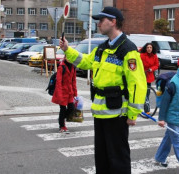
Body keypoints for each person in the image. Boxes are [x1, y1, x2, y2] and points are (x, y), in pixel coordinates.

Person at [59, 7, 147, 174]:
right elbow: (85, 62)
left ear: (113, 22)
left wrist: (133, 114)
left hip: (117, 115)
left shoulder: (127, 49)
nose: (98, 24)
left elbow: (137, 83)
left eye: (101, 20)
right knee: (102, 158)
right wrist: (67, 50)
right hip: (100, 113)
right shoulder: (102, 48)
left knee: (118, 159)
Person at [51, 58, 77, 133]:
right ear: (65, 57)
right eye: (67, 57)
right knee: (62, 109)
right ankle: (62, 126)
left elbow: (74, 81)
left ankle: (61, 119)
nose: (69, 59)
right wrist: (59, 94)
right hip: (62, 91)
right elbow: (58, 82)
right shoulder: (61, 67)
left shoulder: (73, 67)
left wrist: (75, 93)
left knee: (71, 108)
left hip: (70, 92)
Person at [140, 43, 159, 115]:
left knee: (147, 93)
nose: (149, 49)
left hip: (149, 75)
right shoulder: (141, 55)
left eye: (150, 47)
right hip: (141, 75)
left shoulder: (154, 56)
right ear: (145, 48)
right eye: (148, 47)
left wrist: (152, 69)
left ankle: (146, 110)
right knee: (141, 92)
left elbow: (156, 65)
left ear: (152, 48)